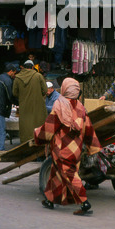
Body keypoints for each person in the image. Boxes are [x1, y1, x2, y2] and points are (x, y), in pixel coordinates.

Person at [34, 77, 102, 216]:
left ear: (65, 89)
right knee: (56, 174)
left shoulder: (60, 105)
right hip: (75, 149)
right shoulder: (80, 107)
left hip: (62, 148)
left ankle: (85, 203)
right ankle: (50, 200)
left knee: (69, 174)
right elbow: (88, 128)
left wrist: (37, 134)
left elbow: (50, 127)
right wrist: (92, 146)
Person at [12, 59, 47, 143]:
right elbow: (45, 90)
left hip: (24, 107)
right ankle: (38, 142)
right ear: (32, 67)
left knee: (26, 126)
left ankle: (25, 143)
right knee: (38, 124)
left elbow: (14, 93)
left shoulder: (17, 78)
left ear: (23, 67)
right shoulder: (38, 76)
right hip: (38, 106)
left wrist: (23, 97)